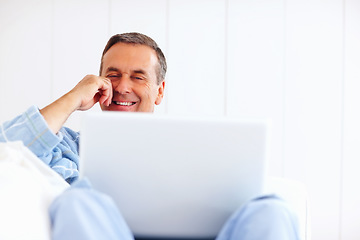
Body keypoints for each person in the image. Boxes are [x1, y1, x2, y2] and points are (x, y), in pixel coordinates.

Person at [0, 32, 300, 240]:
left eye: (138, 76)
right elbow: (7, 149)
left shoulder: (202, 152)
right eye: (113, 74)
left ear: (160, 91)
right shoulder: (66, 146)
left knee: (273, 209)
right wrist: (73, 98)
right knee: (78, 202)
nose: (122, 86)